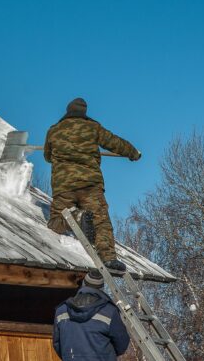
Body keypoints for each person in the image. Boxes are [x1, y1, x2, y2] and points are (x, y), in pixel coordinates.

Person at [44, 97, 141, 272]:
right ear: (84, 113)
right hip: (90, 184)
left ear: (68, 111)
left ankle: (74, 218)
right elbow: (115, 143)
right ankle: (109, 258)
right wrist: (133, 152)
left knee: (55, 221)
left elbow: (47, 157)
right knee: (101, 220)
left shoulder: (54, 131)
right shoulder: (93, 128)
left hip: (63, 186)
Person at [53, 271, 130, 360]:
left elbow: (57, 344)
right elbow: (122, 345)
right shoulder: (109, 311)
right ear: (101, 289)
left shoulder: (61, 310)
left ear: (83, 284)